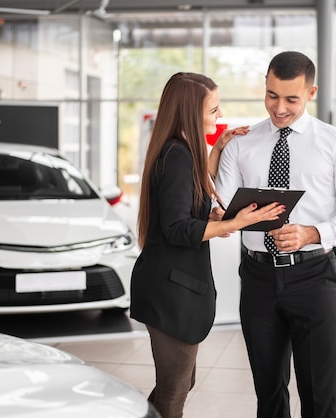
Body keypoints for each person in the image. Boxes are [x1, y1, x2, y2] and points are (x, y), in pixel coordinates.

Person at [215, 51, 336, 418]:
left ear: (311, 92)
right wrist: (222, 213)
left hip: (313, 276)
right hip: (257, 277)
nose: (278, 107)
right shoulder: (241, 142)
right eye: (271, 95)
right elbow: (219, 206)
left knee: (319, 395)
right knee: (268, 394)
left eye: (291, 99)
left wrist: (314, 232)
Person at [129, 72, 285, 418]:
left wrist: (216, 151)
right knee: (174, 391)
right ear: (190, 111)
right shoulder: (177, 155)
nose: (218, 114)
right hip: (170, 291)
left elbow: (187, 202)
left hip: (169, 287)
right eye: (213, 109)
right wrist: (236, 222)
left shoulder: (177, 151)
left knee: (180, 384)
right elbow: (177, 229)